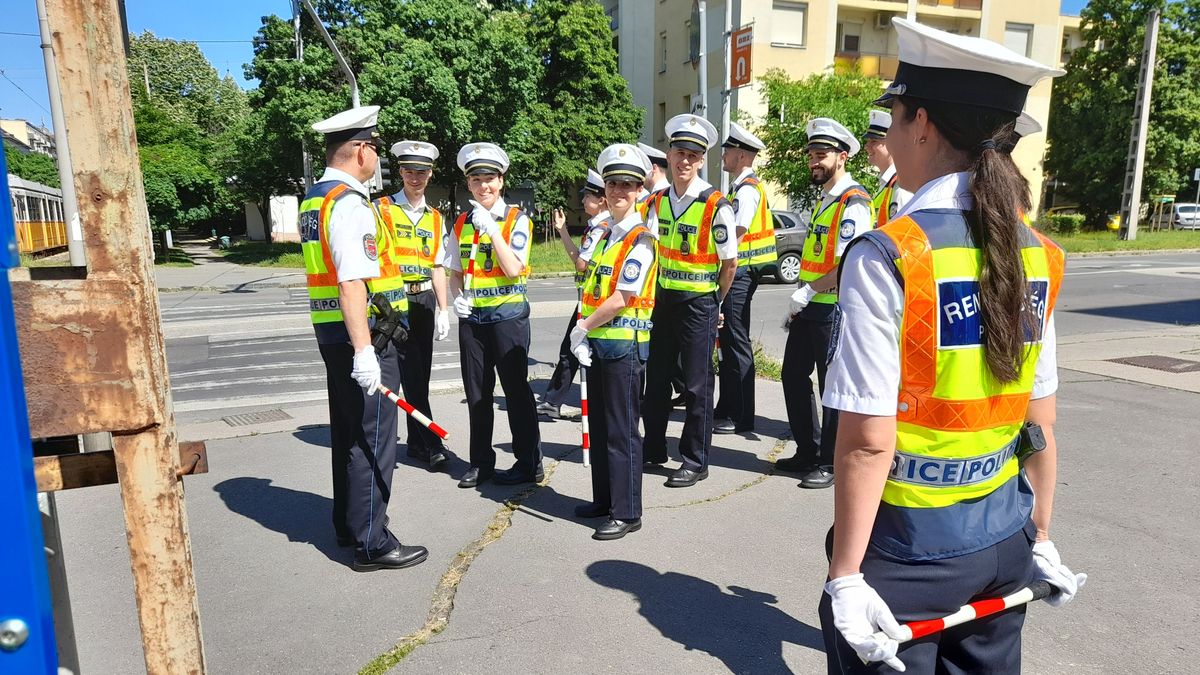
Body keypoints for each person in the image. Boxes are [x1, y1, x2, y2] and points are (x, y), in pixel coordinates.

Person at [818, 18, 1086, 673]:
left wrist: (846, 575)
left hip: (910, 548)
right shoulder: (1037, 253)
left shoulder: (893, 254)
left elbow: (868, 439)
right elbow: (1039, 419)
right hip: (1003, 537)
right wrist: (1041, 535)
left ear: (924, 124)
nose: (892, 132)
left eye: (896, 115)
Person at [300, 106, 427, 571]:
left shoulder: (316, 199)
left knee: (349, 431)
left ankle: (348, 525)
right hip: (365, 337)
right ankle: (373, 542)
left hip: (332, 332)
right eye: (374, 147)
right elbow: (352, 281)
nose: (376, 157)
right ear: (360, 150)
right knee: (375, 438)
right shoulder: (349, 203)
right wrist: (365, 352)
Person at [642, 114, 739, 487]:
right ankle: (653, 448)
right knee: (658, 378)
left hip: (699, 304)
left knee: (698, 387)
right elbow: (650, 249)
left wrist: (716, 303)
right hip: (664, 300)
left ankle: (696, 461)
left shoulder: (716, 205)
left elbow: (729, 263)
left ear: (701, 161)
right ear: (669, 154)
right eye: (679, 152)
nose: (684, 161)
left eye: (692, 155)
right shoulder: (658, 201)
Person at [775, 118, 872, 490]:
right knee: (792, 375)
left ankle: (829, 462)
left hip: (832, 308)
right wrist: (802, 295)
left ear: (842, 157)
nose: (815, 161)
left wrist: (808, 291)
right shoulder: (826, 200)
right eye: (812, 155)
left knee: (830, 386)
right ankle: (807, 449)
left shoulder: (853, 202)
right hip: (810, 303)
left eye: (823, 155)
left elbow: (848, 262)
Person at [570, 143, 658, 540]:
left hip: (624, 347)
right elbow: (591, 286)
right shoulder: (606, 235)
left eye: (627, 184)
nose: (619, 191)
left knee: (622, 431)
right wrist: (586, 330)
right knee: (602, 427)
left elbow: (624, 297)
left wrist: (583, 327)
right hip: (600, 344)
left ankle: (627, 512)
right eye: (612, 184)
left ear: (639, 190)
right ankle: (604, 500)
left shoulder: (639, 239)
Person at [449, 142, 543, 489]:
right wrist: (456, 298)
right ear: (468, 184)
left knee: (516, 391)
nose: (483, 186)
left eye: (489, 178)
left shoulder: (517, 220)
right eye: (476, 179)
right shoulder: (460, 222)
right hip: (473, 320)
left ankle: (528, 461)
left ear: (501, 181)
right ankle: (481, 462)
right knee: (477, 393)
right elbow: (455, 272)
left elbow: (514, 267)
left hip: (507, 317)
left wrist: (490, 228)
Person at [375, 140, 452, 471]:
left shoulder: (436, 218)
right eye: (408, 171)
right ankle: (431, 441)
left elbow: (438, 266)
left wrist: (444, 309)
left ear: (430, 174)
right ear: (400, 172)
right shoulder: (382, 209)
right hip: (393, 301)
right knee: (407, 375)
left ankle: (417, 445)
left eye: (421, 171)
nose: (415, 177)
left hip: (424, 302)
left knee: (419, 375)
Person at [713, 122, 775, 435]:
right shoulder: (741, 188)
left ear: (740, 155)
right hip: (738, 272)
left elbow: (735, 234)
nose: (723, 155)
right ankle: (727, 408)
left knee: (736, 342)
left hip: (740, 273)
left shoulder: (747, 190)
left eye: (727, 150)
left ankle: (740, 415)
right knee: (729, 341)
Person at [538, 169, 610, 419]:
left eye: (587, 196)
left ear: (601, 199)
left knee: (573, 349)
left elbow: (581, 264)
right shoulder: (601, 225)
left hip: (592, 300)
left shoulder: (601, 227)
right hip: (590, 297)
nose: (582, 201)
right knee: (575, 349)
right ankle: (554, 401)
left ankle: (554, 402)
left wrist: (563, 232)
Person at [862, 110, 913, 229]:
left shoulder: (901, 187)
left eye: (874, 141)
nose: (867, 146)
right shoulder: (888, 183)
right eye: (868, 141)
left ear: (892, 143)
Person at [636, 141, 670, 213]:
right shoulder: (649, 198)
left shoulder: (664, 197)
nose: (640, 173)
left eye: (643, 169)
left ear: (653, 168)